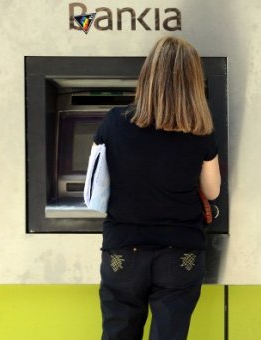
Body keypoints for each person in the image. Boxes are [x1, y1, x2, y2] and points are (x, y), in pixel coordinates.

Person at [94, 36, 221, 340]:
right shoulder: (200, 131)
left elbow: (97, 181)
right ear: (192, 82)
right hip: (179, 253)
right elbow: (213, 190)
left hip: (123, 249)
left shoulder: (113, 122)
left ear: (148, 74)